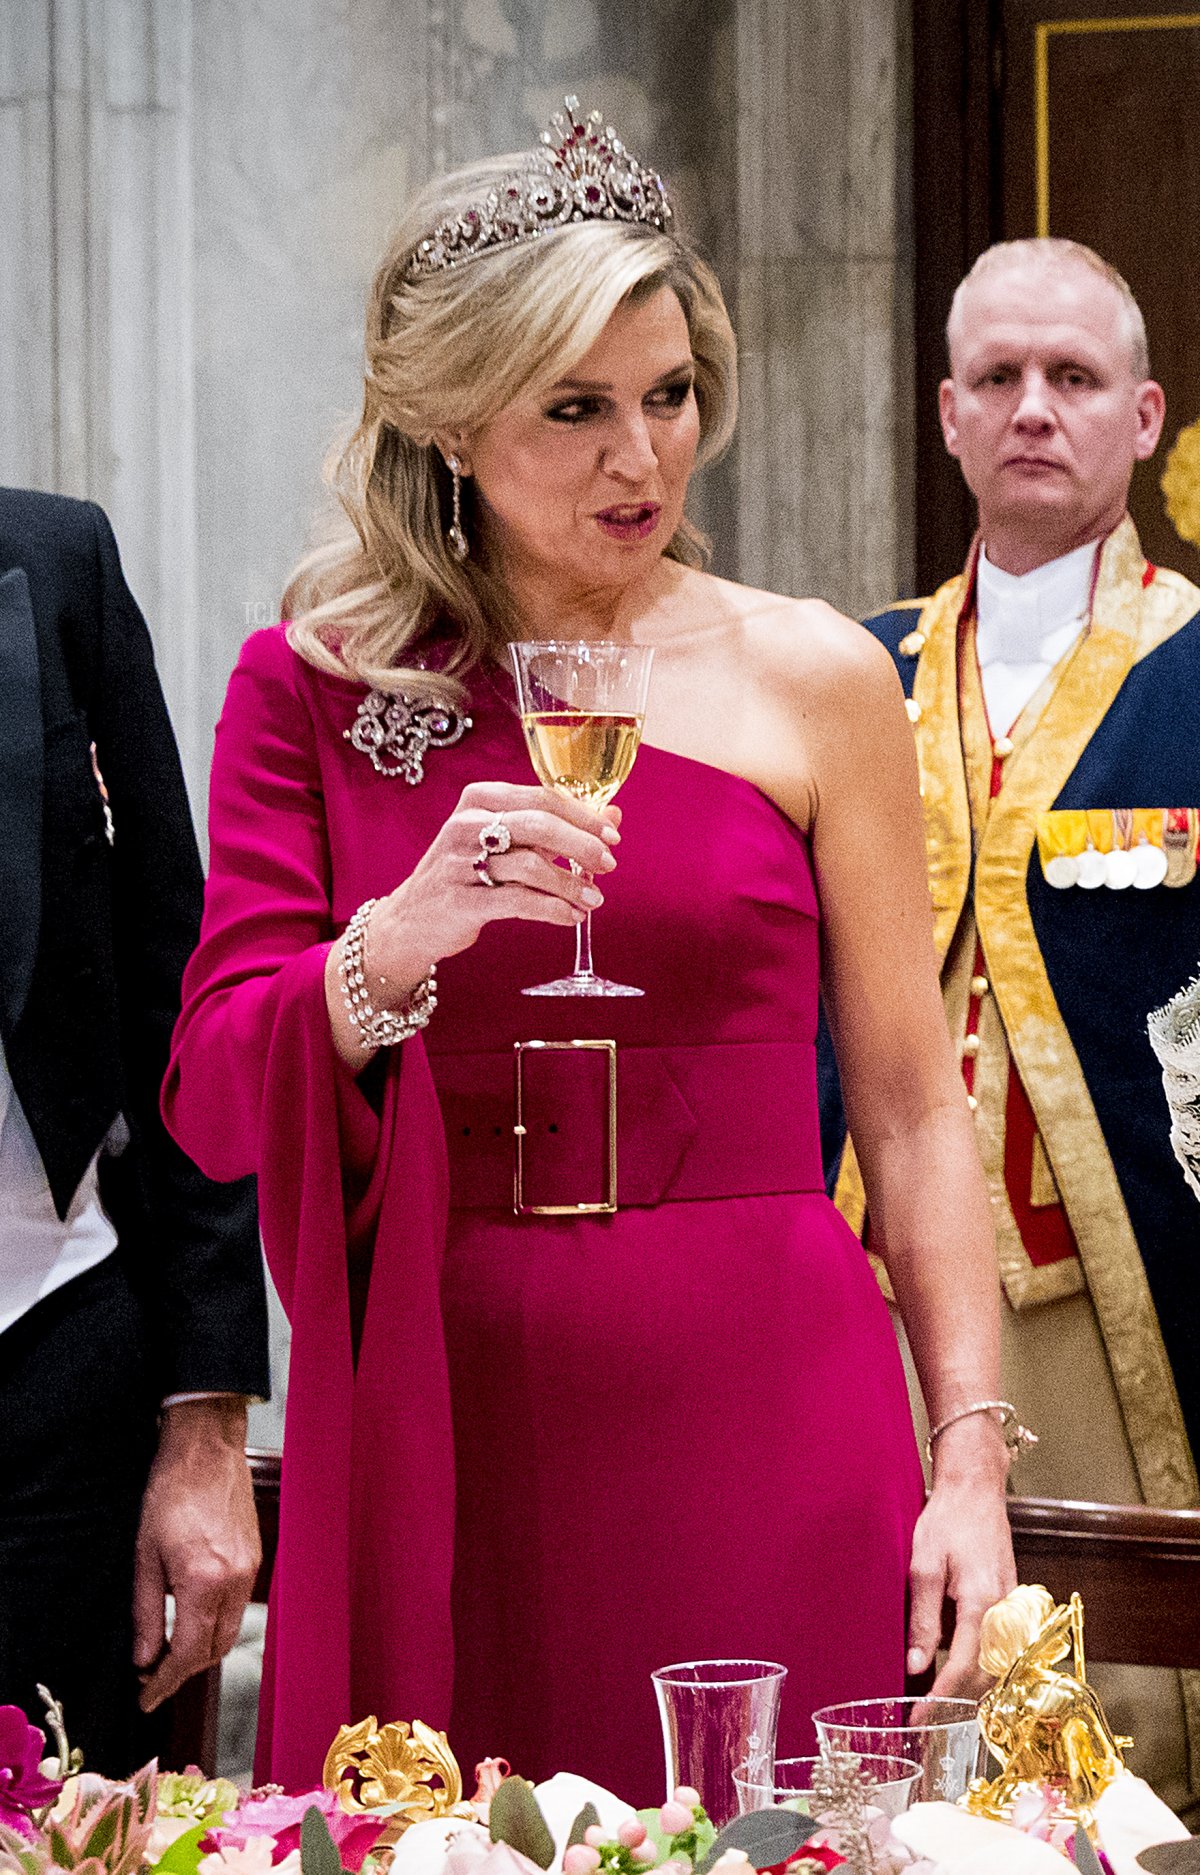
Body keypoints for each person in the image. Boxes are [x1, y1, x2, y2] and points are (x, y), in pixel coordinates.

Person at [162, 101, 1014, 1797]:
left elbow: (918, 1116)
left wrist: (972, 1464)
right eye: (577, 408)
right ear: (450, 419)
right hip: (450, 1412)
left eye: (669, 396)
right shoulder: (314, 686)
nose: (644, 459)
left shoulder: (819, 677)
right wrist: (390, 949)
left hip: (772, 1390)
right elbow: (209, 1091)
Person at [821, 237, 1200, 1804]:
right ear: (947, 415)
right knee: (889, 1722)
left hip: (1122, 1310)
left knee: (1119, 1742)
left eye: (1074, 377)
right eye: (999, 377)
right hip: (868, 1301)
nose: (1034, 407)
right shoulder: (847, 670)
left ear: (1146, 417)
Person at [0, 486, 270, 1774]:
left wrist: (206, 1415)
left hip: (48, 1367)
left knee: (73, 1833)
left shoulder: (53, 564)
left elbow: (182, 999)